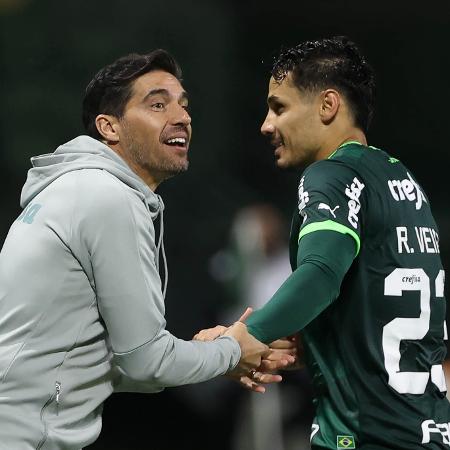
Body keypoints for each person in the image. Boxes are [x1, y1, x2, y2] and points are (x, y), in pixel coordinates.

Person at [0, 50, 288, 450]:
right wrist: (231, 350)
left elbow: (105, 365)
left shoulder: (77, 189)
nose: (182, 116)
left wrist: (207, 355)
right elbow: (145, 360)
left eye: (183, 105)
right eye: (157, 104)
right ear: (109, 127)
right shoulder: (107, 197)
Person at [202, 36, 449, 449]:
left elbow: (321, 275)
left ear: (327, 105)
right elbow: (377, 304)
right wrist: (319, 338)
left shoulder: (329, 177)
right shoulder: (401, 181)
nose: (266, 124)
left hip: (363, 434)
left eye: (279, 107)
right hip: (425, 429)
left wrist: (240, 339)